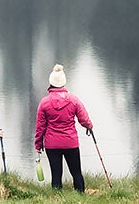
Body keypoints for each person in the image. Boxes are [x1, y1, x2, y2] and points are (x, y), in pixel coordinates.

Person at [33, 63, 93, 191]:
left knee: (56, 175)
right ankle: (81, 195)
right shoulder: (73, 100)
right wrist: (89, 126)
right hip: (70, 142)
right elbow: (83, 119)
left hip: (52, 144)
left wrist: (38, 145)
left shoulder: (44, 102)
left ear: (51, 82)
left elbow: (40, 127)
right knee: (76, 173)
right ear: (64, 82)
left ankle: (57, 198)